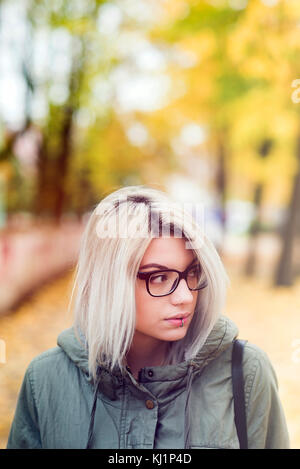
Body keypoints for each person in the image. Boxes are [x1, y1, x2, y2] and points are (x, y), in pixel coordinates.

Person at [7, 185, 289, 449]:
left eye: (191, 273)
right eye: (160, 277)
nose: (185, 296)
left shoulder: (245, 373)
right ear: (110, 284)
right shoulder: (45, 382)